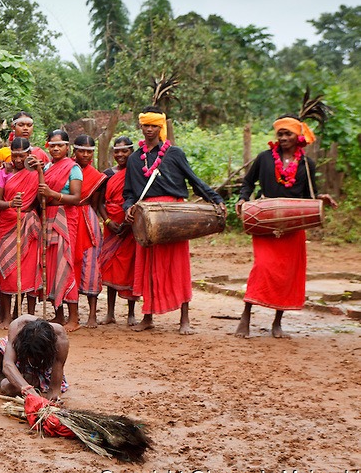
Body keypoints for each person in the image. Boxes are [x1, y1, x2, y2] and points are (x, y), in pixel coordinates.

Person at [123, 108, 226, 334]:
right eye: (146, 125)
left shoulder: (175, 153)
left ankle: (184, 319)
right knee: (148, 269)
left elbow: (194, 180)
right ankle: (147, 316)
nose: (150, 130)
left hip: (174, 215)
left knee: (178, 267)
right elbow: (129, 192)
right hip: (146, 217)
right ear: (141, 127)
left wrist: (216, 199)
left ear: (162, 128)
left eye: (154, 126)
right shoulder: (133, 159)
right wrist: (128, 208)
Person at [234, 114, 337, 338]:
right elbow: (248, 182)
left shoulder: (307, 164)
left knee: (286, 274)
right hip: (265, 221)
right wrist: (243, 199)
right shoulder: (264, 158)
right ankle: (246, 316)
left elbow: (310, 196)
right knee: (262, 267)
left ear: (297, 136)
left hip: (292, 226)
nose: (283, 138)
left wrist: (322, 199)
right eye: (280, 134)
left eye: (287, 133)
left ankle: (277, 322)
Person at [30, 129, 82, 331]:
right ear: (47, 146)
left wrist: (53, 193)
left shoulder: (73, 168)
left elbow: (76, 198)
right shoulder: (48, 167)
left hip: (66, 218)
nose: (56, 148)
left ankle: (74, 317)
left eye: (60, 145)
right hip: (48, 217)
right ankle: (58, 314)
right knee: (51, 265)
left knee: (66, 264)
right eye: (52, 145)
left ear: (67, 147)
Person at [0, 138, 42, 329]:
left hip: (28, 225)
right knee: (6, 270)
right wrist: (11, 204)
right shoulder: (4, 172)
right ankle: (6, 316)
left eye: (22, 155)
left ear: (29, 154)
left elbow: (40, 197)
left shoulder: (36, 171)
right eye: (15, 155)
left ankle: (28, 316)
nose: (19, 159)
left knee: (29, 271)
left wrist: (39, 172)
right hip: (8, 223)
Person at [97, 137, 140, 326]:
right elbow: (99, 203)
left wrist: (129, 223)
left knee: (130, 267)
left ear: (132, 152)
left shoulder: (137, 174)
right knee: (109, 267)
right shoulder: (107, 174)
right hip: (111, 225)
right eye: (117, 151)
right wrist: (107, 221)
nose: (120, 155)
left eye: (125, 151)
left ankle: (131, 313)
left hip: (131, 225)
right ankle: (110, 312)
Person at [72, 135, 107, 328]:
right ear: (74, 151)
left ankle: (92, 315)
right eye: (81, 151)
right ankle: (73, 313)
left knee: (91, 265)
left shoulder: (97, 176)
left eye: (89, 151)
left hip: (88, 219)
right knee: (72, 264)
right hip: (68, 217)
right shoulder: (66, 169)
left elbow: (96, 204)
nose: (85, 155)